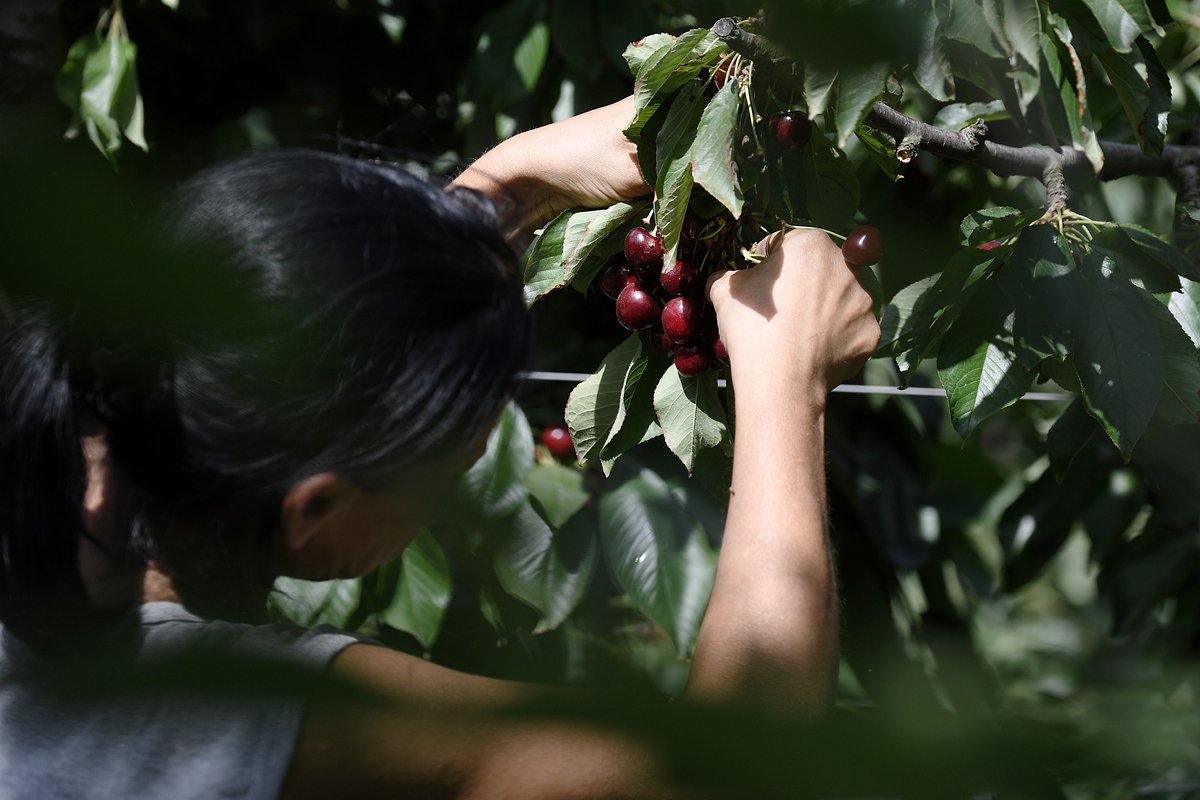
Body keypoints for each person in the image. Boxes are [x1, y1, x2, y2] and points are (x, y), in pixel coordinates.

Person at [0, 96, 880, 798]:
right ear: (318, 509)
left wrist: (500, 190)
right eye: (456, 447)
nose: (473, 457)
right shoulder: (235, 718)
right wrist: (785, 376)